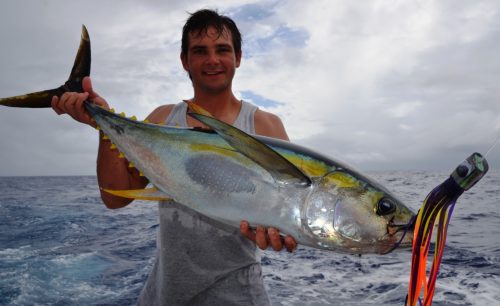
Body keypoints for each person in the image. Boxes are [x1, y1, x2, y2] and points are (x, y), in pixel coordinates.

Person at [51, 9, 297, 305]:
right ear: (185, 61)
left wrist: (280, 234)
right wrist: (102, 125)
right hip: (164, 294)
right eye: (199, 51)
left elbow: (288, 208)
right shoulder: (162, 119)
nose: (212, 60)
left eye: (222, 50)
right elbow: (115, 198)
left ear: (238, 58)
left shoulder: (265, 126)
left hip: (240, 295)